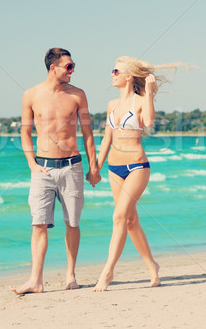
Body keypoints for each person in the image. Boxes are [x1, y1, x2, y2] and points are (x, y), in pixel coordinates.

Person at [10, 48, 101, 294]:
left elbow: (88, 134)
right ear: (54, 68)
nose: (73, 70)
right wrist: (32, 165)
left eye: (73, 66)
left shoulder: (78, 95)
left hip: (72, 165)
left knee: (72, 222)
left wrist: (94, 167)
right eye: (68, 66)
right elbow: (25, 133)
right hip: (43, 169)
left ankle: (71, 275)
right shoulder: (30, 94)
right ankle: (35, 281)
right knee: (38, 224)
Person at [93, 56, 183, 292]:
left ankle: (107, 272)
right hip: (114, 168)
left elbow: (149, 122)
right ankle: (152, 266)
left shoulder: (142, 100)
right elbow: (106, 138)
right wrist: (96, 167)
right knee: (130, 222)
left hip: (137, 167)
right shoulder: (112, 105)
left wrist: (151, 93)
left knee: (118, 217)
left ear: (128, 76)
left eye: (116, 71)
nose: (112, 74)